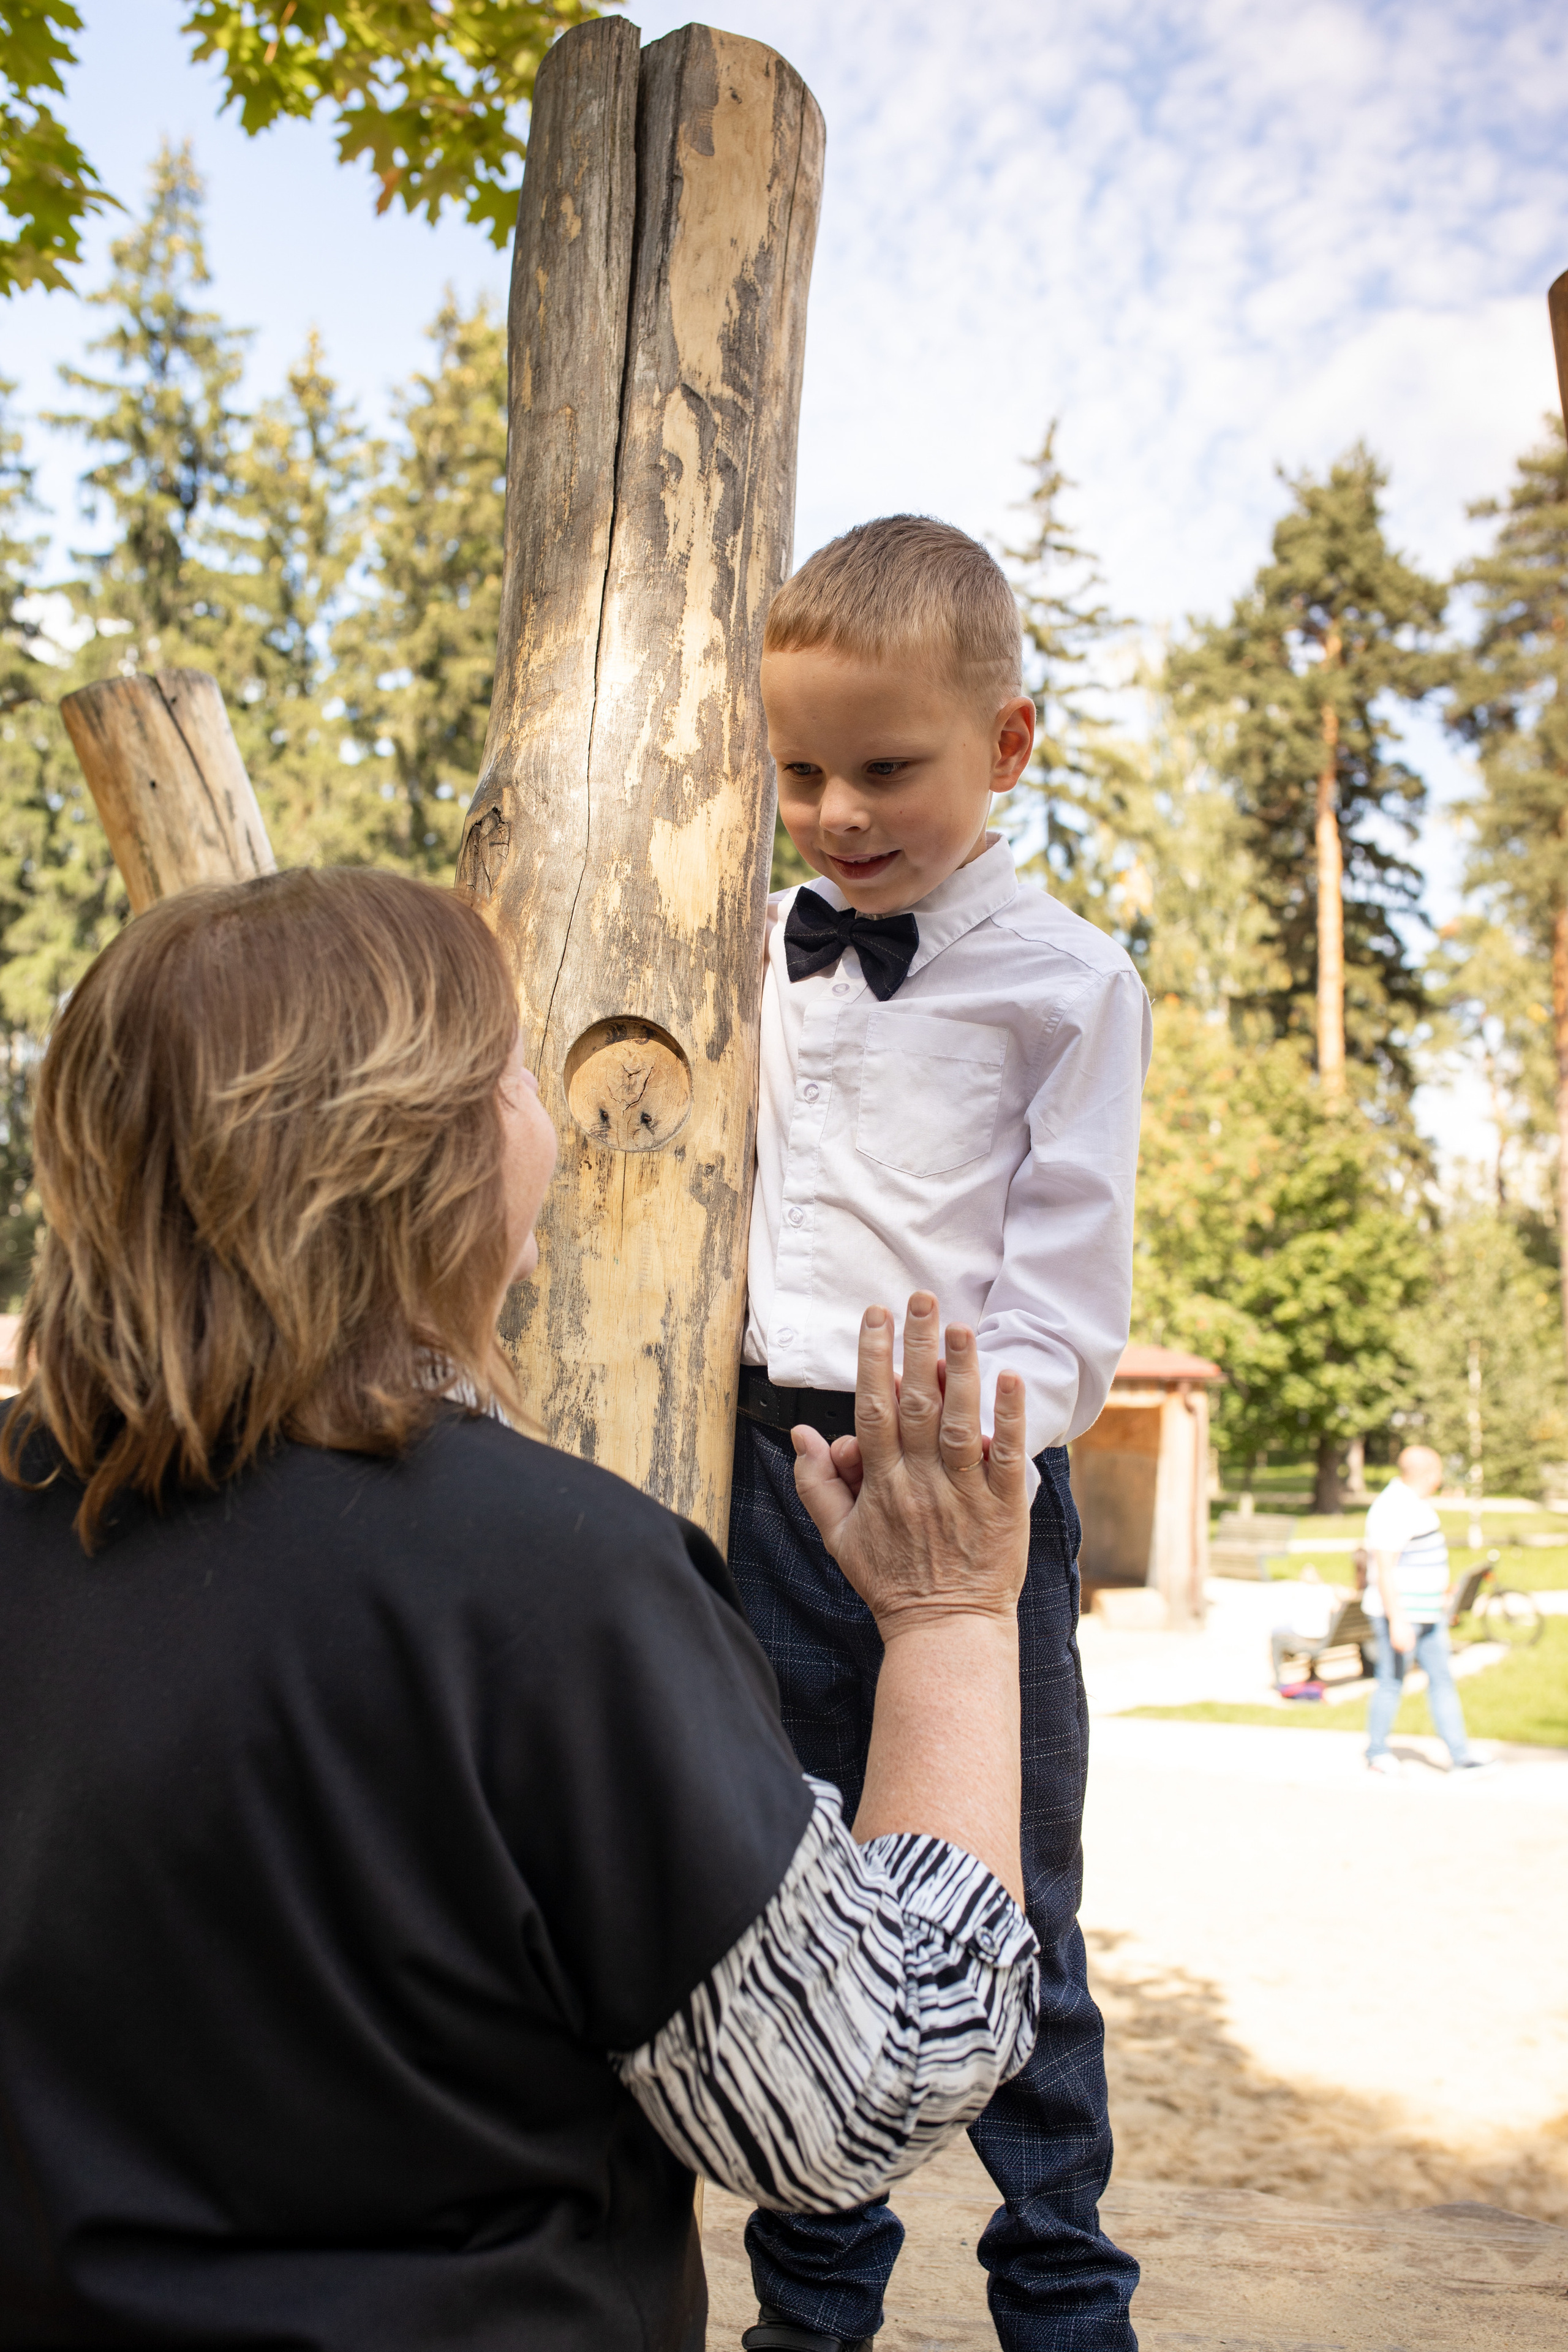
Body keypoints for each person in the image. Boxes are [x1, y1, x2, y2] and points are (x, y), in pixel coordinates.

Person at [0, 868, 1046, 2352]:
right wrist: (949, 1619)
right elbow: (844, 2093)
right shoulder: (557, 1587)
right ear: (416, 1158)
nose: (545, 1124)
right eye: (510, 1074)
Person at [729, 517, 1152, 2352]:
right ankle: (808, 2315)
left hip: (963, 1489)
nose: (833, 807)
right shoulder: (739, 944)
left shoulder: (1064, 982)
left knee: (1004, 1906)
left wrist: (975, 1459)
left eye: (883, 764)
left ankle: (1060, 2294)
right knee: (783, 1891)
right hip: (749, 1461)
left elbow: (1064, 1284)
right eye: (798, 767)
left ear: (1006, 743)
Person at [1363, 1443, 1485, 1777]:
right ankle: (1377, 1751)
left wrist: (1440, 1593)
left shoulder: (1414, 1505)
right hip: (1402, 1615)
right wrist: (1397, 1621)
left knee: (1442, 1679)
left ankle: (1460, 1755)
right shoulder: (1393, 1507)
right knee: (1391, 1680)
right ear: (1429, 1473)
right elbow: (1384, 1569)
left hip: (1429, 1613)